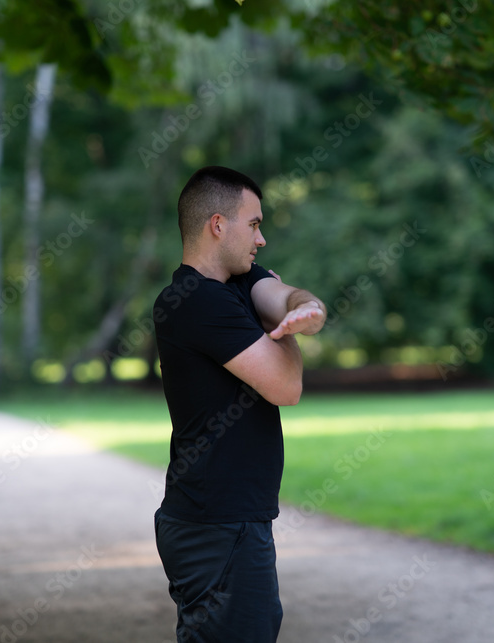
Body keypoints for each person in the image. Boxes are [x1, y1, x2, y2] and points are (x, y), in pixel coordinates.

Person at [152, 166, 326, 642]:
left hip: (228, 520)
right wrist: (287, 331)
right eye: (254, 224)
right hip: (217, 524)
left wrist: (304, 308)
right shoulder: (193, 300)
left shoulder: (239, 282)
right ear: (217, 225)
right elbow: (286, 387)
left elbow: (291, 297)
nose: (262, 238)